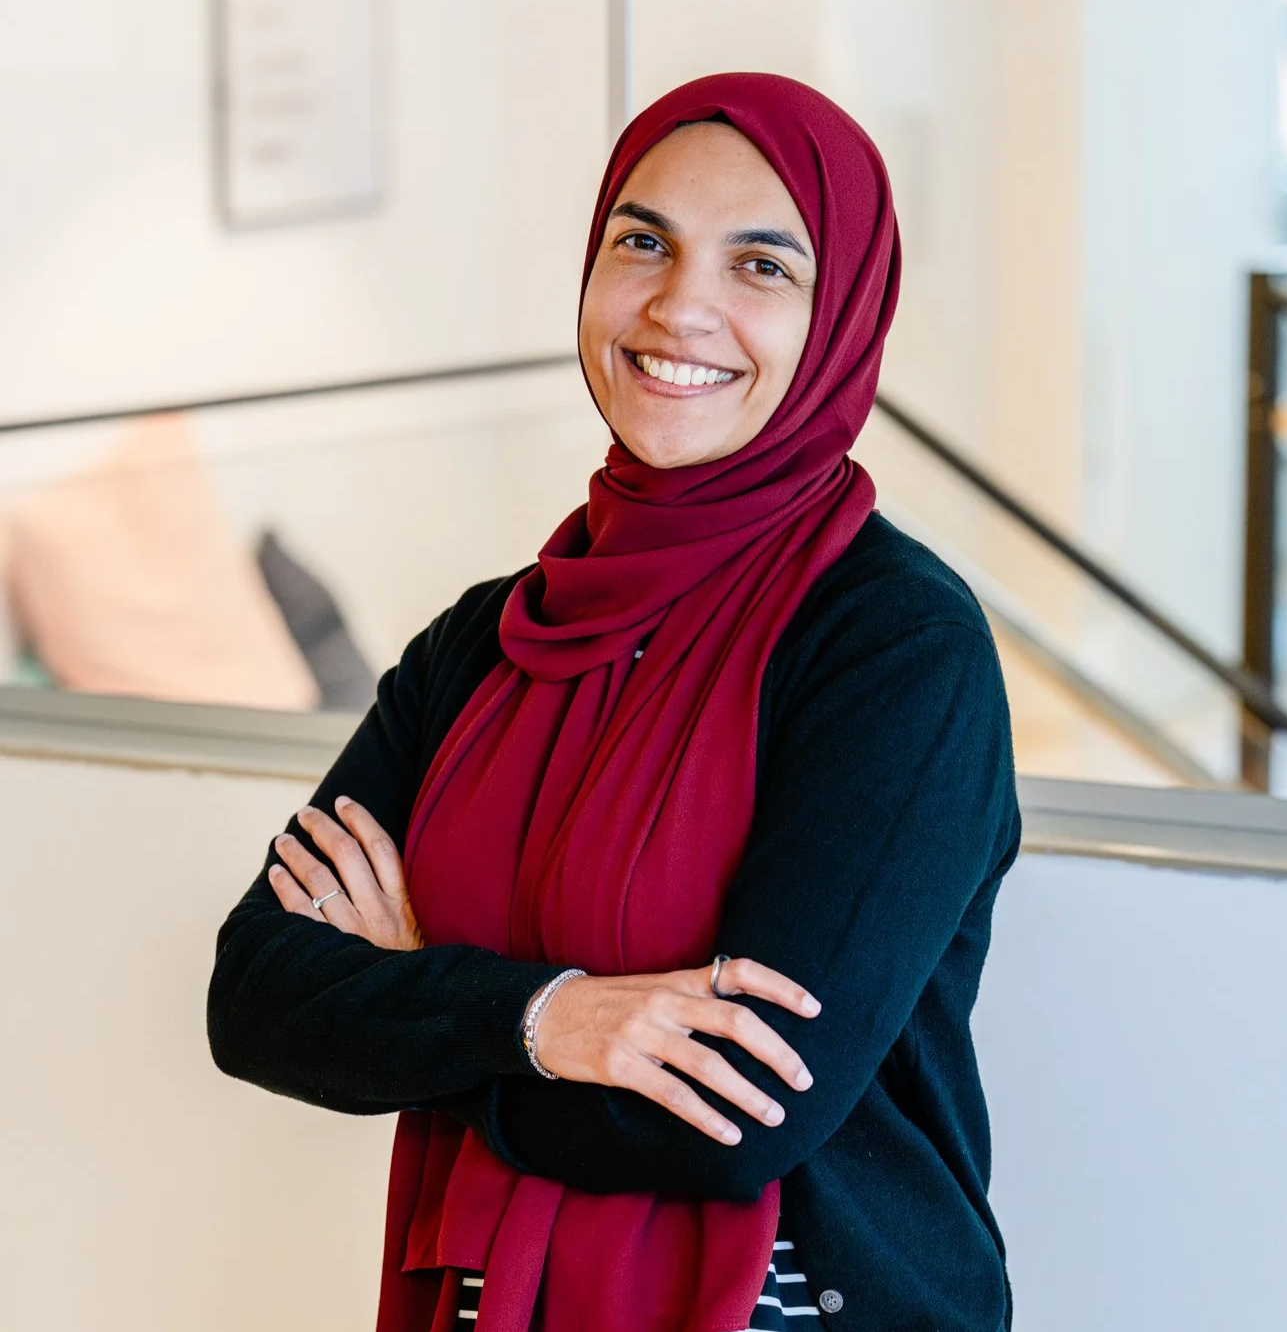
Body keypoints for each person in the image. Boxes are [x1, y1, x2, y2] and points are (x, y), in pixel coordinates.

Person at [207, 72, 1021, 1332]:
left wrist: (429, 995)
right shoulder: (485, 638)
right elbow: (257, 996)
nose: (679, 306)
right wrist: (547, 1017)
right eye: (641, 242)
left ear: (843, 316)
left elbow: (740, 1110)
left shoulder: (898, 647)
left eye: (761, 266)